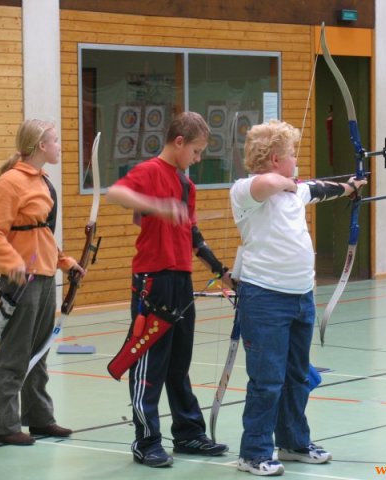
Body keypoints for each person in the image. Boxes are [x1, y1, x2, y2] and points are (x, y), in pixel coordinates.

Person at [230, 119, 367, 476]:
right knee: (267, 379)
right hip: (264, 299)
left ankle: (293, 442)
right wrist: (295, 184)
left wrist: (350, 187)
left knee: (295, 377)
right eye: (291, 154)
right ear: (275, 159)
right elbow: (271, 184)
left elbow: (321, 189)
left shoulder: (295, 190)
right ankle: (254, 452)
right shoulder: (246, 191)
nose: (296, 160)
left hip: (300, 296)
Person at [106, 111, 231, 468]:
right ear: (179, 142)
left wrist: (219, 269)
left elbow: (191, 232)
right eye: (196, 150)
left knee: (178, 363)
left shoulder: (186, 185)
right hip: (153, 282)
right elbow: (117, 193)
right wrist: (155, 206)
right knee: (149, 363)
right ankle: (146, 441)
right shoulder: (148, 172)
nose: (198, 157)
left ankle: (189, 433)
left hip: (180, 281)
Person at [0, 119, 84, 446]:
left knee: (38, 353)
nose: (58, 146)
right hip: (20, 281)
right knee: (14, 354)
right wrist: (12, 263)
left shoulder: (42, 181)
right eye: (54, 141)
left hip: (42, 278)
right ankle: (4, 424)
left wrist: (65, 262)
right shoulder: (11, 183)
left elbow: (42, 233)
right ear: (40, 146)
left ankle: (39, 418)